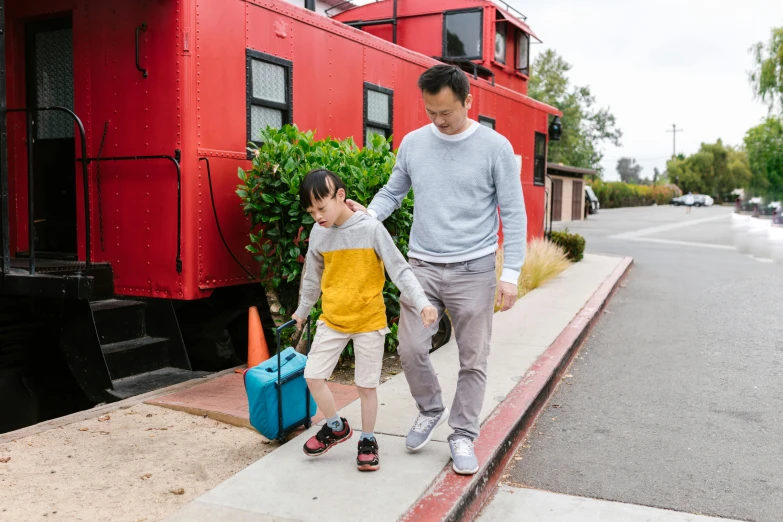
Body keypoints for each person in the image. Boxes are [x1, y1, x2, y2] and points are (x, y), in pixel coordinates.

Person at [346, 65, 527, 475]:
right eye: (431, 112)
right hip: (422, 266)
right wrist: (368, 217)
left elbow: (513, 213)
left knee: (473, 358)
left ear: (468, 101)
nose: (439, 120)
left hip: (474, 268)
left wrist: (511, 272)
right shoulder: (414, 143)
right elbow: (394, 190)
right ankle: (430, 409)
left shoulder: (495, 148)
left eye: (446, 111)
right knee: (410, 349)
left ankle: (462, 434)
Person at [292, 169, 437, 472]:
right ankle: (335, 426)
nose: (317, 216)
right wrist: (302, 312)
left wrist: (422, 302)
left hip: (369, 321)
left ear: (340, 196)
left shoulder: (371, 229)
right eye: (311, 211)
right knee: (313, 376)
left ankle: (368, 440)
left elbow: (399, 269)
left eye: (322, 207)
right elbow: (311, 279)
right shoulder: (319, 234)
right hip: (332, 319)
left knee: (366, 386)